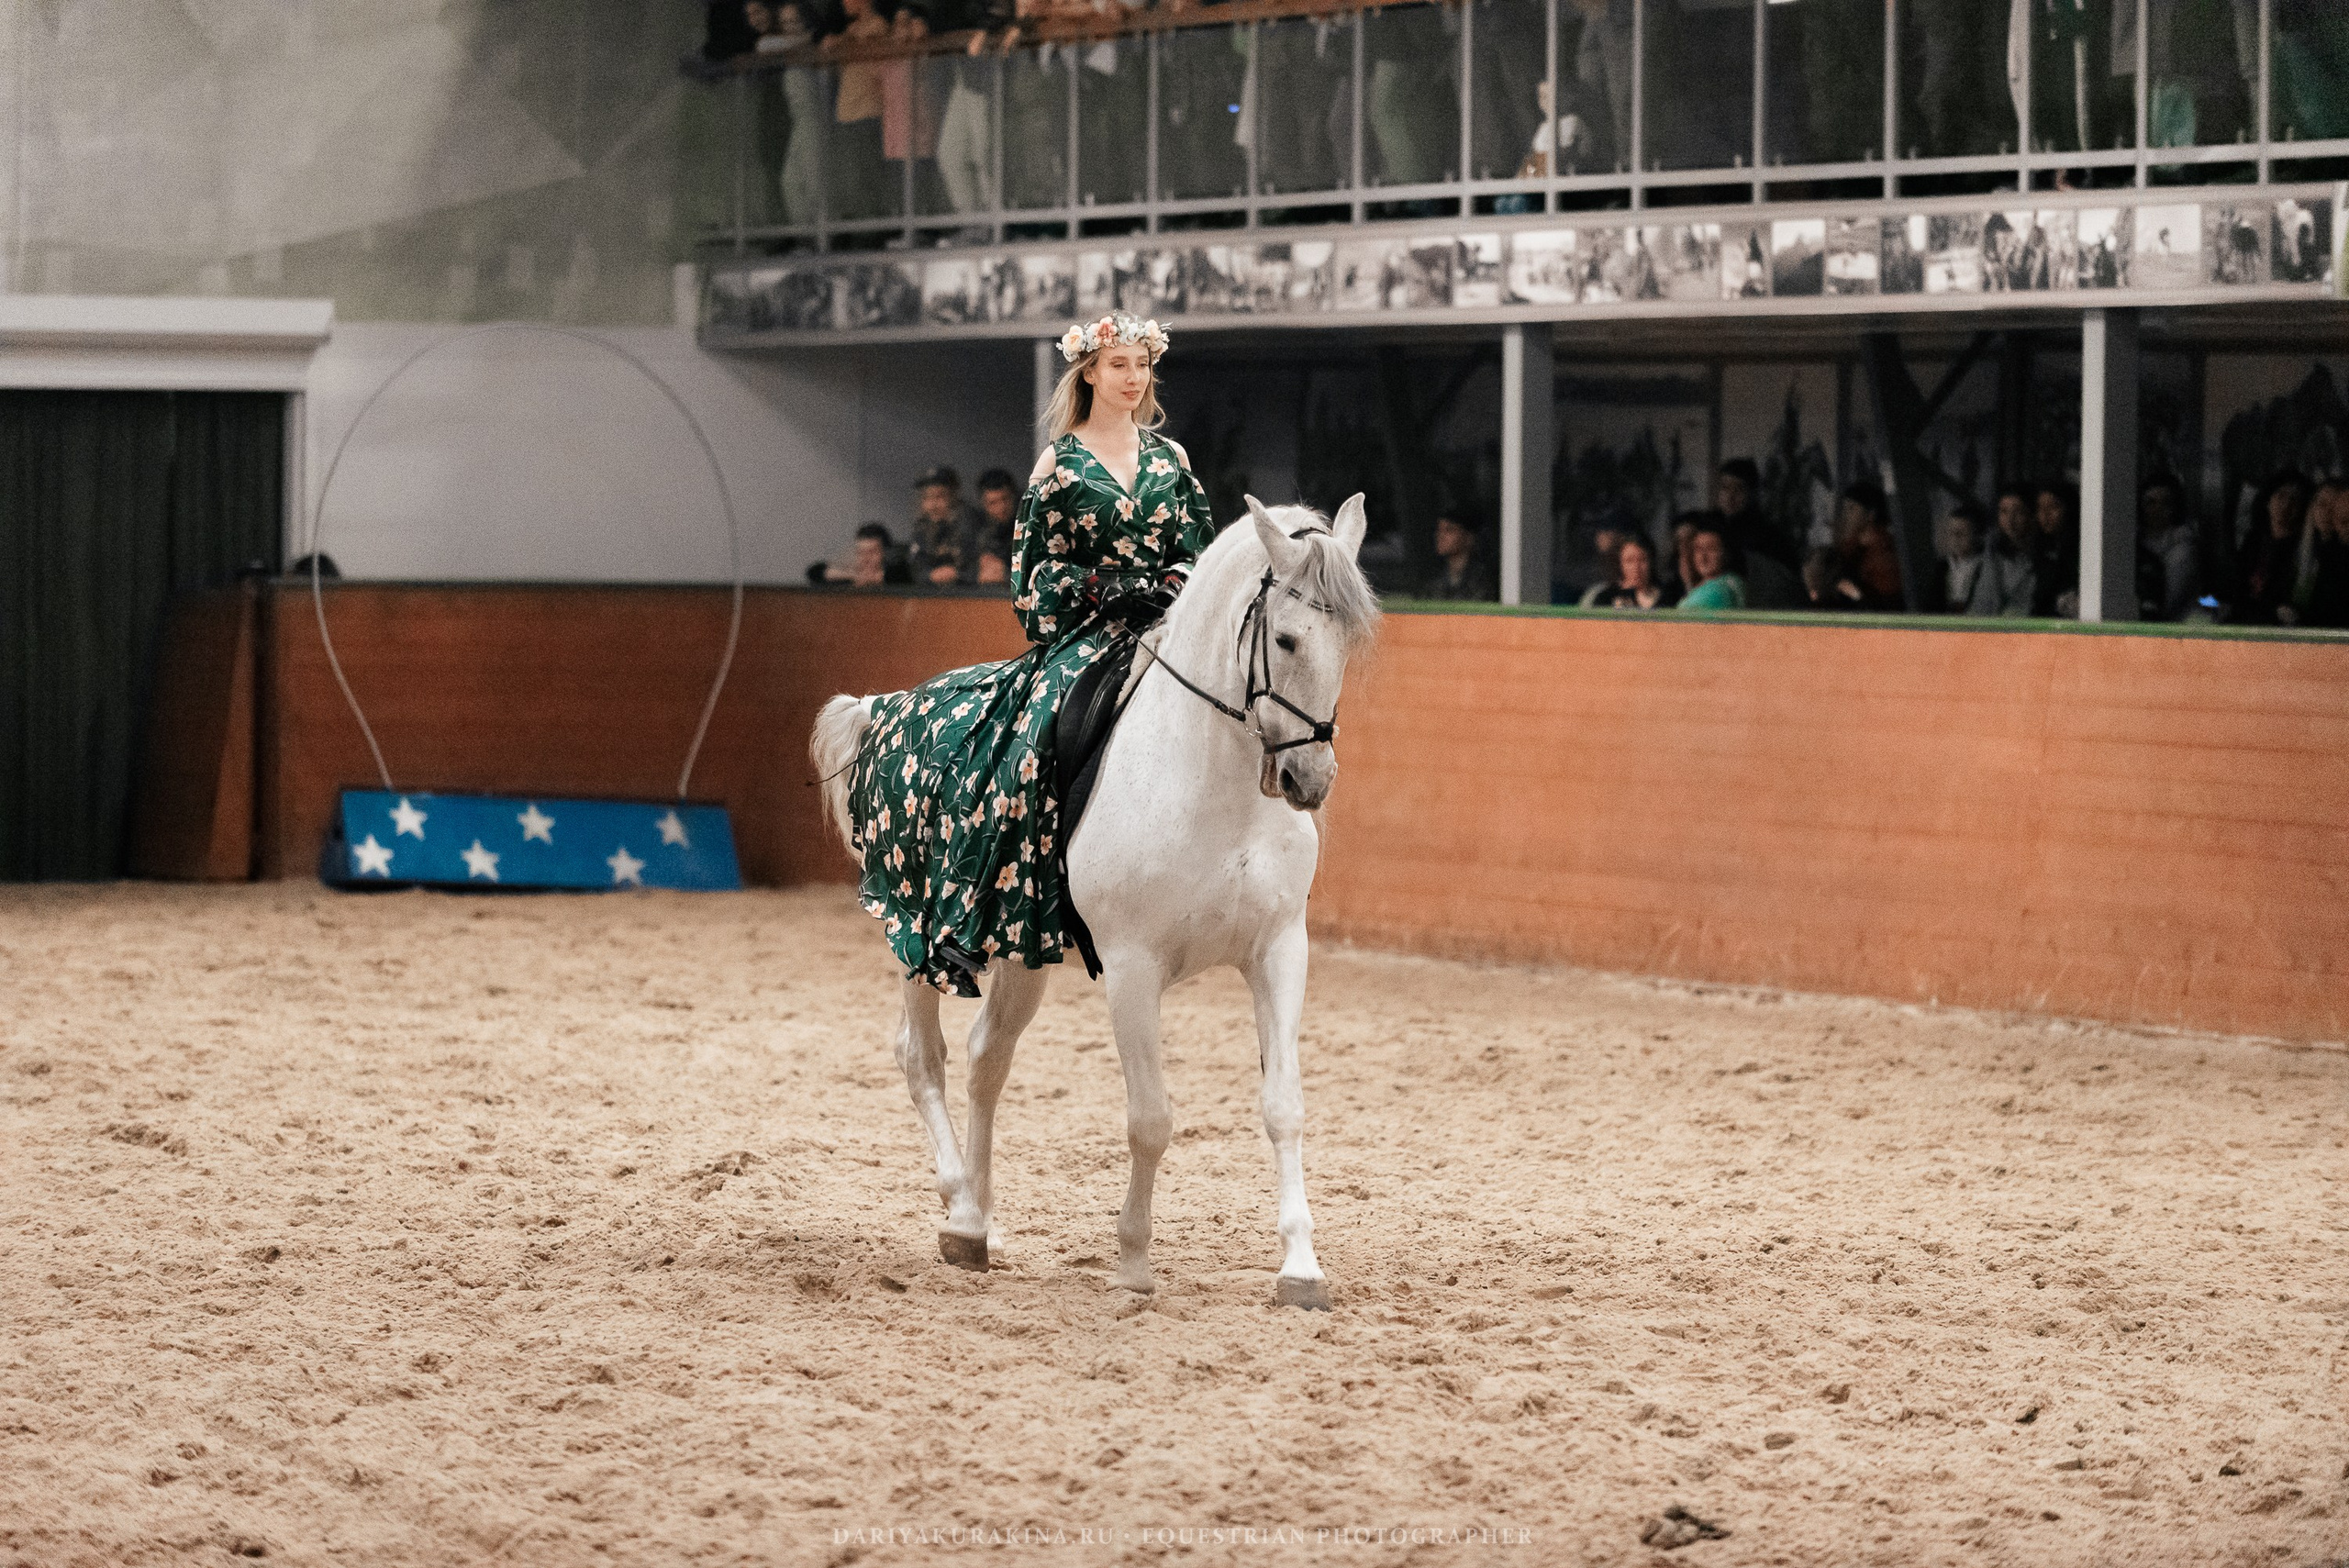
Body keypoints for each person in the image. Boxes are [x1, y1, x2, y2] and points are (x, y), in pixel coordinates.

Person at [845, 310, 1210, 995]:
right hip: (1087, 634)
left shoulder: (1173, 460)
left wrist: (1174, 581)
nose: (1133, 379)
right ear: (1091, 372)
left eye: (1142, 366)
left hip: (1169, 628)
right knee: (1039, 735)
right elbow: (1032, 574)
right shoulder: (1060, 461)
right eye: (1119, 366)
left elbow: (1199, 551)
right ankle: (974, 915)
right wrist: (1098, 585)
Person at [1809, 484, 1904, 611]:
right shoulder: (1854, 544)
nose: (1846, 515)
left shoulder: (1883, 555)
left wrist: (1857, 596)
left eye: (1852, 509)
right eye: (1845, 509)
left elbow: (1890, 604)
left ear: (1871, 514)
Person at [2235, 468, 2310, 625]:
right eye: (2281, 496)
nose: (2286, 505)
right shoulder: (2254, 541)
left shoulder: (2303, 550)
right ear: (2268, 500)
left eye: (2294, 500)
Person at [2137, 473, 2201, 621]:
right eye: (2150, 502)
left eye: (2165, 503)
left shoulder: (2184, 549)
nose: (2157, 510)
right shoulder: (2129, 544)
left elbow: (2167, 604)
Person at [907, 466, 986, 585]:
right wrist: (930, 575)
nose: (932, 505)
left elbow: (982, 569)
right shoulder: (922, 527)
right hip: (931, 597)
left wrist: (957, 575)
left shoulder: (972, 523)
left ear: (954, 496)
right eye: (927, 498)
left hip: (970, 596)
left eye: (939, 496)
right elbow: (915, 569)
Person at [1966, 486, 2038, 617]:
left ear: (2031, 515)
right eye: (2004, 512)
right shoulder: (1989, 554)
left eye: (2018, 512)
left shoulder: (2042, 559)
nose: (2010, 520)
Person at [2300, 478, 2349, 630]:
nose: (2326, 511)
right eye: (2322, 504)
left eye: (2333, 506)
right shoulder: (2299, 549)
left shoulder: (2339, 560)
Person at [1580, 533, 1674, 609]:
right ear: (1620, 564)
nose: (1636, 567)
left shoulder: (1668, 597)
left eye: (1642, 560)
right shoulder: (1605, 598)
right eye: (1629, 561)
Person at [1419, 511, 1497, 601]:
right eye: (1438, 530)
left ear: (1469, 538)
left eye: (1449, 530)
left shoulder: (1482, 579)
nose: (1440, 536)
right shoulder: (1433, 578)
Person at [808, 521, 912, 587]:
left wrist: (875, 578)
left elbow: (903, 574)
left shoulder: (899, 571)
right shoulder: (852, 572)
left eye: (872, 552)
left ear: (885, 552)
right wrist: (853, 576)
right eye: (861, 553)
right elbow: (815, 572)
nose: (865, 559)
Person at [2032, 483, 2081, 618]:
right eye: (2041, 508)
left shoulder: (2081, 549)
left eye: (2053, 507)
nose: (2045, 515)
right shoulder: (2038, 548)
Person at [1676, 517, 1745, 610]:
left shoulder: (1720, 589)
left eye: (1711, 549)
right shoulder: (1706, 585)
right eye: (1698, 549)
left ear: (1725, 553)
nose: (1703, 557)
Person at [971, 467, 1019, 584]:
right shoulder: (976, 527)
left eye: (1005, 499)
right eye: (993, 503)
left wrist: (1007, 574)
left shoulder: (1031, 526)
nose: (1001, 508)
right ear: (983, 504)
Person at [1940, 503, 1987, 613]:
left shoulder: (1987, 567)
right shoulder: (1942, 567)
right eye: (1952, 532)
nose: (1955, 538)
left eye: (1962, 533)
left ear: (1977, 535)